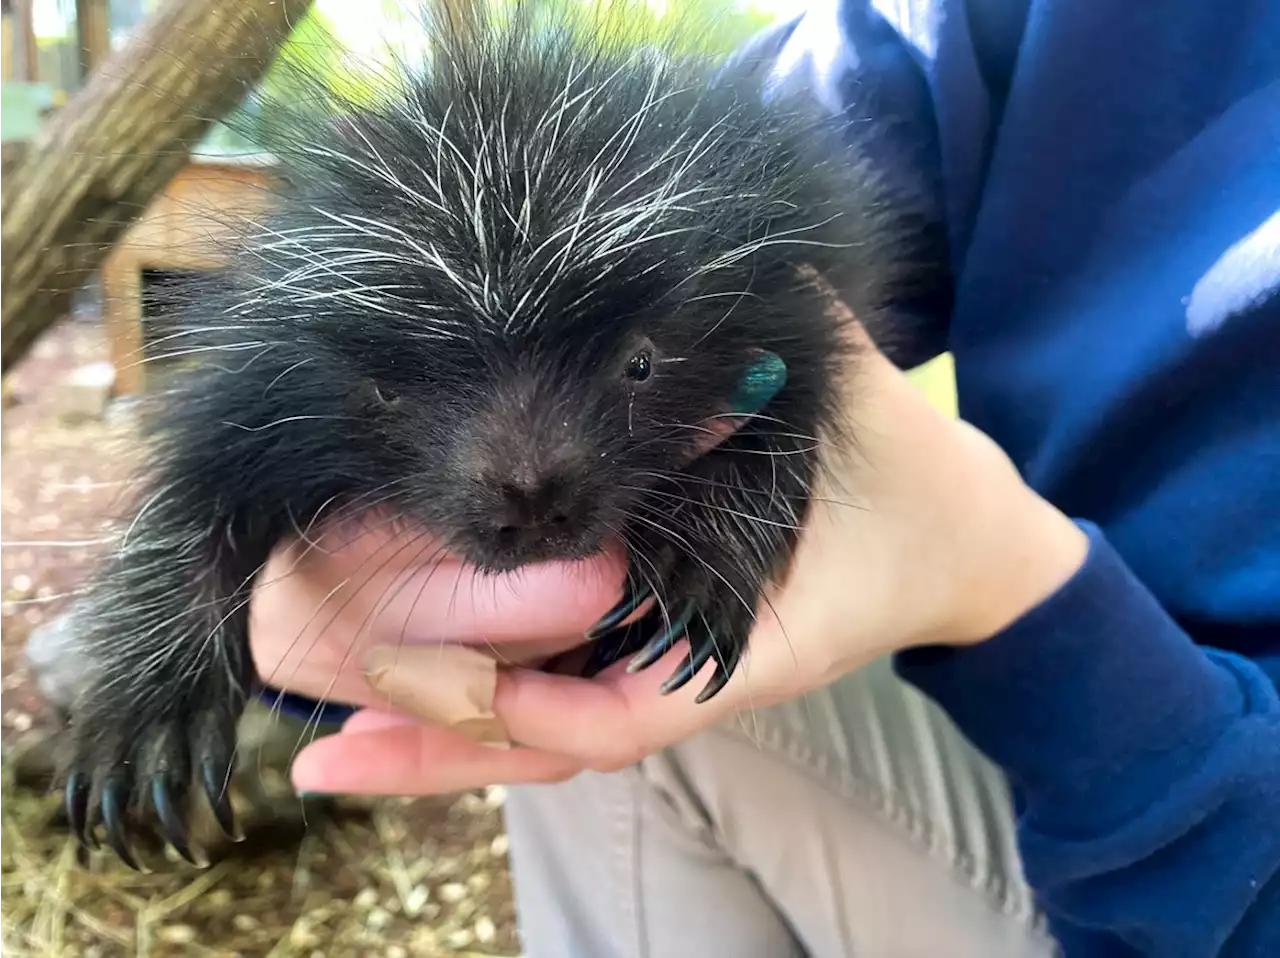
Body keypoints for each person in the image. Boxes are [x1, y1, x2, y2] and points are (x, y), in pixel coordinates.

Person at [246, 0, 1280, 955]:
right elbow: (735, 180)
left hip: (1209, 865)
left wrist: (1009, 595)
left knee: (670, 649)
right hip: (1057, 739)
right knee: (640, 669)